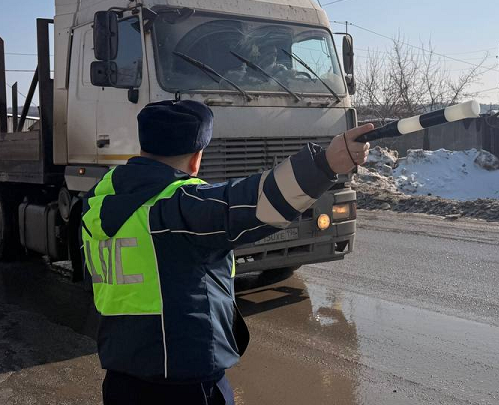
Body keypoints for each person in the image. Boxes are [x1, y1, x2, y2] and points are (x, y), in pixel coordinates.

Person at [81, 100, 372, 404]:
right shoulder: (174, 207)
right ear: (196, 159)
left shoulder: (96, 201)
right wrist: (325, 164)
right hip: (186, 382)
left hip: (122, 377)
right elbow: (254, 203)